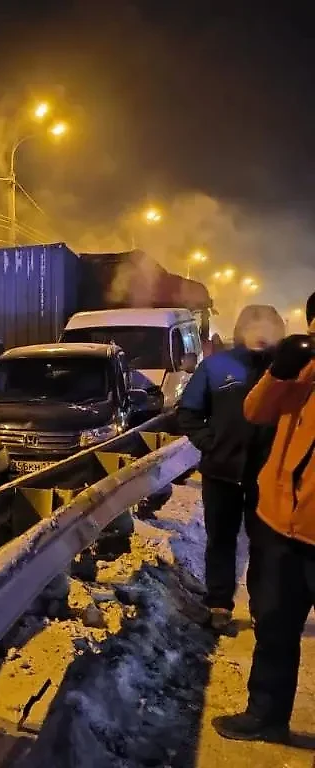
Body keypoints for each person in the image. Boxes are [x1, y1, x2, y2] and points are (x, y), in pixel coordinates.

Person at [212, 292, 315, 743]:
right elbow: (256, 411)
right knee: (273, 627)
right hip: (279, 526)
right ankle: (266, 715)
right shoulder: (304, 368)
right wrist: (280, 372)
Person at [177, 305, 285, 631]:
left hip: (267, 476)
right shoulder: (216, 367)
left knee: (265, 543)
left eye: (267, 327)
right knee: (221, 540)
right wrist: (212, 444)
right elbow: (188, 413)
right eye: (253, 327)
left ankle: (262, 607)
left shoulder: (284, 372)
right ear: (241, 331)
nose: (261, 333)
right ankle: (220, 603)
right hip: (221, 472)